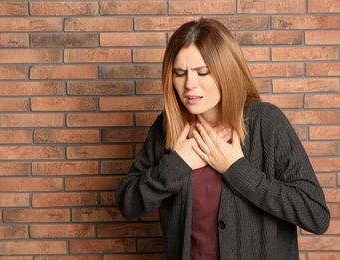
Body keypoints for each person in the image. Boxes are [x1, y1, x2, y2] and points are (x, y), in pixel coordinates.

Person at [115, 18, 330, 260]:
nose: (189, 84)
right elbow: (129, 205)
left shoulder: (266, 123)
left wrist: (236, 169)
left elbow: (316, 216)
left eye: (202, 72)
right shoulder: (167, 128)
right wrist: (176, 165)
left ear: (226, 71)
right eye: (179, 73)